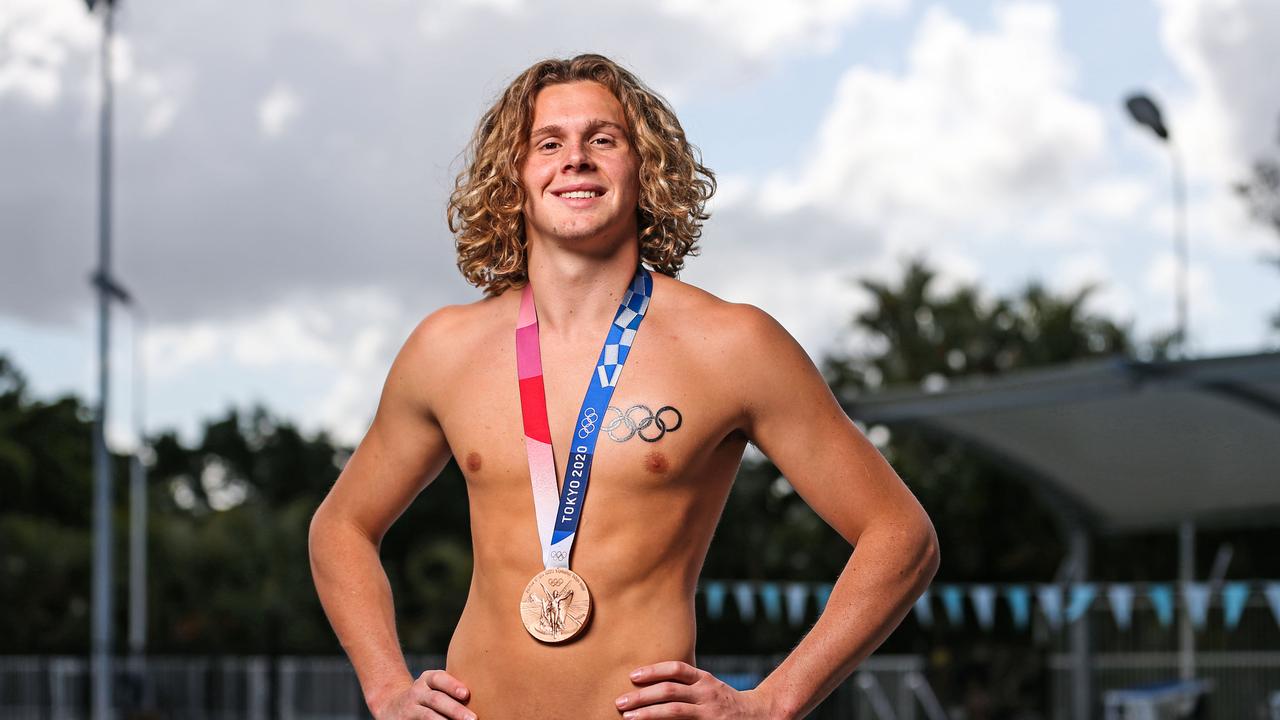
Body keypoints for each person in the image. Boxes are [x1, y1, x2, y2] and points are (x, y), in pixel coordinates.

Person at [308, 53, 939, 720]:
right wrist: (384, 686)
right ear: (514, 175)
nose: (574, 159)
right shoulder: (445, 349)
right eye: (548, 143)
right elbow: (340, 526)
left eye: (602, 140)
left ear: (645, 169)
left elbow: (901, 534)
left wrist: (774, 702)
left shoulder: (732, 345)